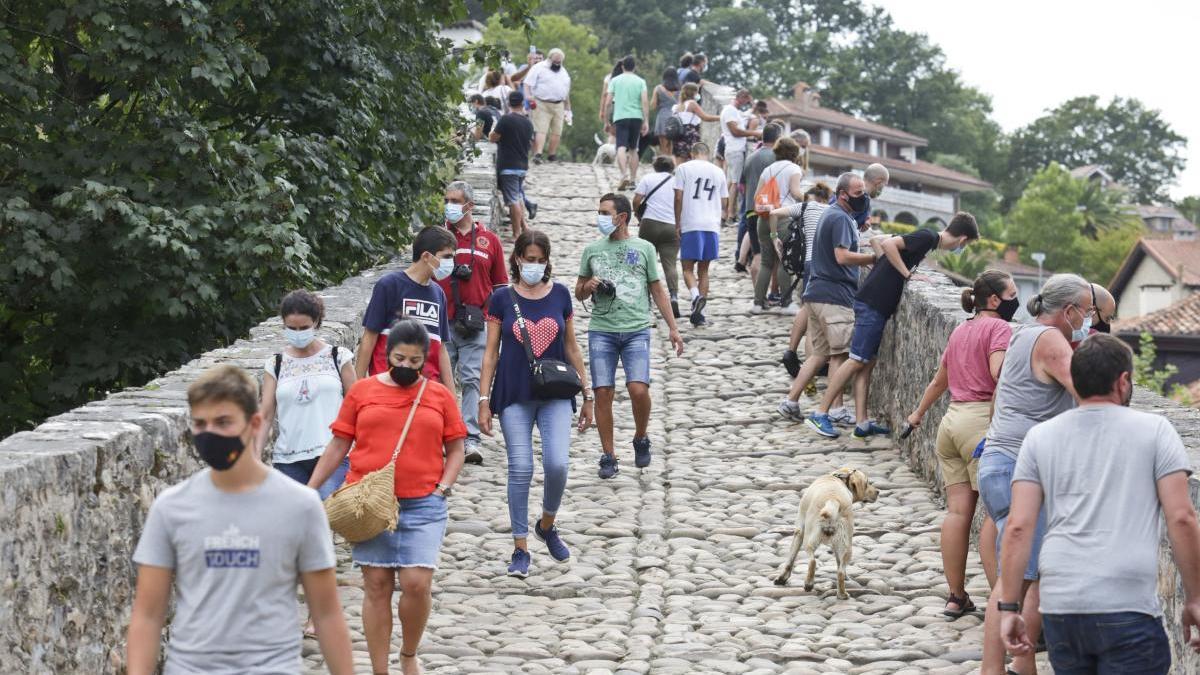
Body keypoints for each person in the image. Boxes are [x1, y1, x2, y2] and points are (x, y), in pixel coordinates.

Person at [127, 365, 354, 675]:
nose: (210, 433)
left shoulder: (299, 506)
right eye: (200, 423)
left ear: (255, 423)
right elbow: (148, 614)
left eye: (223, 422)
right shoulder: (171, 508)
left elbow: (326, 613)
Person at [999, 334, 1200, 673]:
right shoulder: (1155, 431)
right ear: (1123, 381)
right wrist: (1195, 597)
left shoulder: (1040, 437)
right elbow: (1181, 518)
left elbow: (1018, 527)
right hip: (1127, 602)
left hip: (1062, 605)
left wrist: (1008, 609)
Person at [308, 319, 467, 675]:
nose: (406, 367)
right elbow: (338, 444)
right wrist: (310, 490)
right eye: (399, 358)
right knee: (377, 586)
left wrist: (444, 486)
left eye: (415, 361)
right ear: (386, 354)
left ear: (425, 360)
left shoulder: (439, 395)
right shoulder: (362, 392)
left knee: (416, 582)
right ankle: (380, 669)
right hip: (368, 503)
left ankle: (409, 654)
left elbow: (455, 448)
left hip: (424, 501)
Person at [976, 273, 1088, 675]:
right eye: (1089, 313)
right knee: (1022, 583)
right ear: (1070, 310)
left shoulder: (1022, 333)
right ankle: (996, 669)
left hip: (999, 462)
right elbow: (1090, 393)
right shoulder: (1053, 340)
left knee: (1022, 579)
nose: (1089, 321)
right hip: (1020, 469)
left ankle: (1016, 669)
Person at [478, 230, 594, 577]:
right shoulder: (501, 299)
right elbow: (490, 353)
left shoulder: (559, 295)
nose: (535, 265)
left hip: (555, 392)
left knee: (558, 464)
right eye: (529, 259)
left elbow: (572, 346)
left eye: (540, 260)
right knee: (521, 467)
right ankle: (520, 547)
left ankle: (546, 524)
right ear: (517, 259)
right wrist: (484, 400)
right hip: (514, 392)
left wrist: (587, 394)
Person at [905, 270, 1018, 619]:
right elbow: (999, 372)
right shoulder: (1000, 328)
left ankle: (956, 596)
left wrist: (917, 414)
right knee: (996, 514)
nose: (1017, 300)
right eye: (1013, 293)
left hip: (950, 423)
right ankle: (1004, 606)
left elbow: (940, 380)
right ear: (996, 300)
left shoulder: (960, 330)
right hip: (981, 423)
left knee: (957, 513)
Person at [806, 213, 980, 439]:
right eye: (965, 245)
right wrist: (907, 275)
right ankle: (820, 413)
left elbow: (879, 240)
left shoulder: (927, 241)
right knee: (856, 359)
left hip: (875, 302)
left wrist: (886, 266)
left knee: (866, 363)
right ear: (962, 239)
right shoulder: (927, 237)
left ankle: (862, 423)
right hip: (873, 302)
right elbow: (888, 243)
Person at [577, 193, 685, 479]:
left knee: (639, 389)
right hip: (602, 329)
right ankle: (608, 455)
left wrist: (673, 327)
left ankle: (640, 437)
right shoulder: (592, 250)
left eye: (604, 212)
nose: (599, 217)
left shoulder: (645, 248)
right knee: (603, 391)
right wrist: (589, 285)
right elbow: (579, 291)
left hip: (636, 329)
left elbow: (657, 289)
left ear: (621, 217)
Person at [776, 173, 879, 422]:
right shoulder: (841, 218)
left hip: (816, 293)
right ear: (843, 194)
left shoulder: (829, 213)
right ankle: (836, 410)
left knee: (818, 355)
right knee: (840, 355)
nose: (862, 197)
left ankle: (790, 401)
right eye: (858, 193)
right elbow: (842, 256)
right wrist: (874, 258)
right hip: (834, 296)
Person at [258, 289, 356, 497]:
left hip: (334, 454)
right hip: (288, 459)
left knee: (322, 507)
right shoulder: (275, 364)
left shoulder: (338, 357)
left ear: (316, 322)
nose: (298, 333)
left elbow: (357, 405)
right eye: (291, 328)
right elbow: (265, 415)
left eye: (304, 327)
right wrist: (254, 457)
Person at [437, 180, 509, 465]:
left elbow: (501, 283)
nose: (450, 205)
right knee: (440, 381)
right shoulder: (437, 237)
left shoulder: (488, 240)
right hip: (442, 321)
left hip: (476, 321)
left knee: (471, 379)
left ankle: (469, 438)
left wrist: (496, 319)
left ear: (469, 204)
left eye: (455, 200)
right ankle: (440, 435)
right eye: (447, 200)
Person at [357, 226, 456, 393]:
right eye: (446, 257)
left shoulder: (439, 294)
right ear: (426, 256)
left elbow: (441, 349)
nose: (451, 263)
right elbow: (369, 336)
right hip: (387, 386)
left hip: (426, 390)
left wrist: (451, 396)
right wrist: (356, 385)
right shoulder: (389, 285)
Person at [775, 182, 832, 376]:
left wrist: (777, 237)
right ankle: (810, 368)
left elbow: (774, 213)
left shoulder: (805, 207)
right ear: (826, 197)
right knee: (814, 321)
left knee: (807, 309)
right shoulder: (833, 210)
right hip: (823, 266)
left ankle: (791, 352)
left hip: (807, 264)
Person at [673, 142, 728, 327]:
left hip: (691, 222)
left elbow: (678, 197)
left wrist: (677, 222)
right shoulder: (718, 171)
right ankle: (701, 314)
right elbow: (725, 200)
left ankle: (696, 297)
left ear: (692, 153)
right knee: (704, 270)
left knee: (687, 268)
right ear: (708, 153)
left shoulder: (683, 168)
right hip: (711, 224)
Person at [752, 136, 806, 313]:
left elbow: (757, 197)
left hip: (764, 219)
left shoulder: (768, 170)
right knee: (785, 260)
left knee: (767, 262)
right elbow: (796, 193)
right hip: (783, 219)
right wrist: (811, 198)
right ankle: (786, 303)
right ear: (794, 152)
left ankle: (758, 303)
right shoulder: (794, 169)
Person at [634, 155, 682, 318]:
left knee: (646, 263)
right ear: (672, 168)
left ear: (655, 166)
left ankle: (646, 299)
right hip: (671, 226)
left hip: (649, 224)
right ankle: (674, 296)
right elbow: (681, 201)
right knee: (670, 265)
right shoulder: (677, 181)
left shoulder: (648, 178)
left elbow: (637, 199)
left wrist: (638, 214)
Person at [736, 123, 783, 275]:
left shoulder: (750, 157)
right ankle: (770, 293)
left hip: (751, 209)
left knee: (757, 255)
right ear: (778, 138)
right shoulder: (777, 158)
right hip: (770, 210)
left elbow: (741, 185)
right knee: (774, 257)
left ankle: (758, 295)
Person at [490, 90, 538, 239]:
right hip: (522, 165)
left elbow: (493, 137)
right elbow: (532, 143)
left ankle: (517, 233)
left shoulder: (505, 120)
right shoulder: (528, 122)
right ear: (521, 102)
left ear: (508, 103)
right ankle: (524, 227)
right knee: (518, 197)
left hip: (508, 165)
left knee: (512, 201)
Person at [720, 89, 762, 223]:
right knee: (735, 183)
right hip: (735, 149)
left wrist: (753, 104)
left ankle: (724, 214)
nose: (747, 103)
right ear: (742, 98)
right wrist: (755, 133)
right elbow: (735, 132)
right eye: (746, 100)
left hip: (735, 149)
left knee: (731, 181)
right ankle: (731, 214)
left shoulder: (735, 111)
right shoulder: (730, 110)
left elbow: (748, 115)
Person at [608, 55, 649, 191]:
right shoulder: (640, 81)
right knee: (633, 149)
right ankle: (632, 179)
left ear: (622, 66)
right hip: (636, 117)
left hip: (620, 116)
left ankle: (623, 174)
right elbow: (644, 102)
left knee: (620, 146)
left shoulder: (615, 80)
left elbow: (608, 102)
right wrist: (646, 120)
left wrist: (606, 120)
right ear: (634, 67)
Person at [526, 48, 572, 164]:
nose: (557, 64)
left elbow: (566, 91)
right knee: (541, 129)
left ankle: (552, 155)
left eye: (559, 62)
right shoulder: (538, 68)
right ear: (549, 58)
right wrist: (528, 96)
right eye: (555, 61)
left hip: (559, 104)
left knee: (557, 131)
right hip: (541, 103)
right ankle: (538, 154)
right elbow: (527, 83)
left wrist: (568, 107)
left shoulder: (563, 72)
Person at [670, 82, 719, 165]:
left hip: (678, 136)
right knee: (692, 161)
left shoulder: (676, 107)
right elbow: (705, 117)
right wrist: (720, 117)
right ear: (694, 93)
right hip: (690, 135)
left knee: (680, 162)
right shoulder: (692, 104)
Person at [651, 68, 680, 158]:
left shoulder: (658, 88)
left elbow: (653, 106)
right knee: (671, 144)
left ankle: (664, 166)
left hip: (663, 117)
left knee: (663, 145)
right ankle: (671, 165)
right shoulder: (680, 89)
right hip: (675, 118)